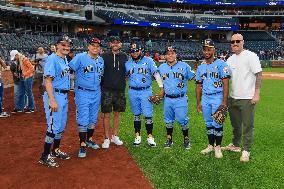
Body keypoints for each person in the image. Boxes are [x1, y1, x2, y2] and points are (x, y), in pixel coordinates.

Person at [223, 34, 262, 162]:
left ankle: (246, 150)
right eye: (232, 41)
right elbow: (225, 77)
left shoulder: (251, 56)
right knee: (236, 125)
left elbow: (259, 74)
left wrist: (257, 93)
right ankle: (235, 145)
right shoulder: (230, 59)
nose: (235, 43)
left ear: (242, 42)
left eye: (237, 41)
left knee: (247, 126)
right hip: (233, 97)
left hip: (247, 97)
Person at [38, 36, 72, 168]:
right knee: (53, 127)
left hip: (63, 95)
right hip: (55, 95)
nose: (66, 47)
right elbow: (48, 81)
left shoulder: (64, 59)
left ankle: (55, 150)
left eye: (68, 45)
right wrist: (52, 100)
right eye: (63, 44)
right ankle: (45, 156)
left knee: (60, 126)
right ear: (57, 45)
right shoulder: (52, 59)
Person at [69, 38, 104, 158]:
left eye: (97, 46)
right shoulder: (80, 57)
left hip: (96, 92)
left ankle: (89, 139)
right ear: (88, 46)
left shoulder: (101, 60)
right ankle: (82, 144)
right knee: (83, 118)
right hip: (82, 92)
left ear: (100, 48)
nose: (95, 47)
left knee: (93, 118)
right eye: (93, 45)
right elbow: (69, 70)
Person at [195, 39, 230, 158]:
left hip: (217, 97)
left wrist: (224, 101)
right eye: (205, 49)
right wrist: (198, 102)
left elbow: (226, 83)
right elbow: (198, 85)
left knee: (218, 122)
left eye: (209, 49)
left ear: (213, 50)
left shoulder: (221, 64)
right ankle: (210, 145)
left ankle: (218, 147)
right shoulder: (200, 67)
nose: (207, 52)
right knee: (208, 123)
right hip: (205, 98)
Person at [125, 42, 164, 147]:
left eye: (137, 50)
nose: (135, 53)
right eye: (132, 51)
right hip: (132, 91)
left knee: (148, 115)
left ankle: (150, 137)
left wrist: (161, 88)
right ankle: (137, 136)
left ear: (141, 50)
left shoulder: (149, 61)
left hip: (146, 91)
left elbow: (156, 74)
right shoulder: (128, 63)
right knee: (136, 114)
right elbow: (124, 77)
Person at [158, 46, 195, 150]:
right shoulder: (161, 68)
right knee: (168, 120)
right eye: (168, 53)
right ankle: (169, 139)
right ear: (165, 55)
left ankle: (186, 139)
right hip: (167, 98)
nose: (170, 55)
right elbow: (154, 77)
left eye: (172, 53)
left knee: (183, 119)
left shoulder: (184, 66)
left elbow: (193, 77)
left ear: (176, 54)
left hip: (181, 98)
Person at [101, 36, 128, 149]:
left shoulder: (125, 56)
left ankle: (115, 136)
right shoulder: (104, 56)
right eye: (113, 42)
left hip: (120, 90)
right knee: (106, 115)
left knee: (117, 113)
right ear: (110, 44)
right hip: (107, 89)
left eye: (118, 42)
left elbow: (127, 73)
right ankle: (107, 138)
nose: (115, 44)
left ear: (120, 44)